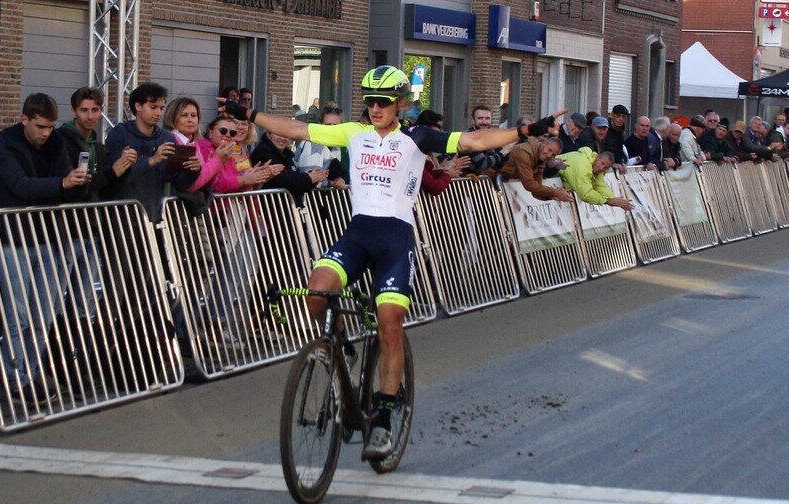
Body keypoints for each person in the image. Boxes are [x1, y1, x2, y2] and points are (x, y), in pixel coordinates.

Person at [218, 65, 534, 460]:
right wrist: (248, 115)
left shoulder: (417, 137)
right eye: (369, 101)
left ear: (400, 103)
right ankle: (339, 347)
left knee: (388, 326)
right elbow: (297, 129)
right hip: (358, 236)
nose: (375, 107)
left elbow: (473, 139)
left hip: (395, 241)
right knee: (316, 292)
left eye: (383, 101)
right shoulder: (354, 132)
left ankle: (383, 418)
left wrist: (520, 133)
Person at [0, 92, 94, 405]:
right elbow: (20, 186)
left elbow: (64, 180)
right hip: (13, 241)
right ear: (25, 120)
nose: (45, 133)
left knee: (42, 316)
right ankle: (14, 377)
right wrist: (61, 184)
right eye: (39, 127)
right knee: (18, 315)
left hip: (49, 239)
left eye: (49, 127)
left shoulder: (56, 143)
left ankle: (27, 373)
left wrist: (71, 181)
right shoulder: (6, 144)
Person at [103, 82, 176, 221]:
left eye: (161, 108)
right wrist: (153, 160)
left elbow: (177, 178)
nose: (158, 113)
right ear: (138, 106)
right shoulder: (120, 134)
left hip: (156, 216)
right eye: (153, 107)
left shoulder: (167, 137)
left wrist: (193, 169)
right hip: (124, 217)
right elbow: (117, 176)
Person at [58, 86, 122, 202]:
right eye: (84, 110)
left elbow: (107, 188)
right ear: (74, 112)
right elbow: (74, 187)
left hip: (96, 214)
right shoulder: (61, 142)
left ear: (101, 111)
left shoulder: (98, 147)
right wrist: (112, 173)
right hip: (71, 214)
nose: (90, 116)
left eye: (95, 110)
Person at [499, 127, 571, 202]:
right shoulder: (525, 152)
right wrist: (555, 192)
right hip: (492, 179)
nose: (549, 155)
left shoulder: (541, 157)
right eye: (549, 150)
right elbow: (529, 184)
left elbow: (536, 189)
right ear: (544, 143)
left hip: (499, 183)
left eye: (553, 155)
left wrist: (551, 196)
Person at [556, 148, 633, 211]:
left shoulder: (595, 167)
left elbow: (600, 187)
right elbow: (585, 194)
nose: (601, 168)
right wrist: (608, 201)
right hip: (548, 174)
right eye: (602, 163)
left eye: (605, 167)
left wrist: (617, 201)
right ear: (597, 157)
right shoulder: (583, 166)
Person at [294, 105, 348, 189]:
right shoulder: (313, 144)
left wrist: (342, 179)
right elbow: (312, 180)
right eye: (328, 125)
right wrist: (332, 183)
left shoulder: (340, 146)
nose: (332, 129)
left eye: (336, 125)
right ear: (320, 125)